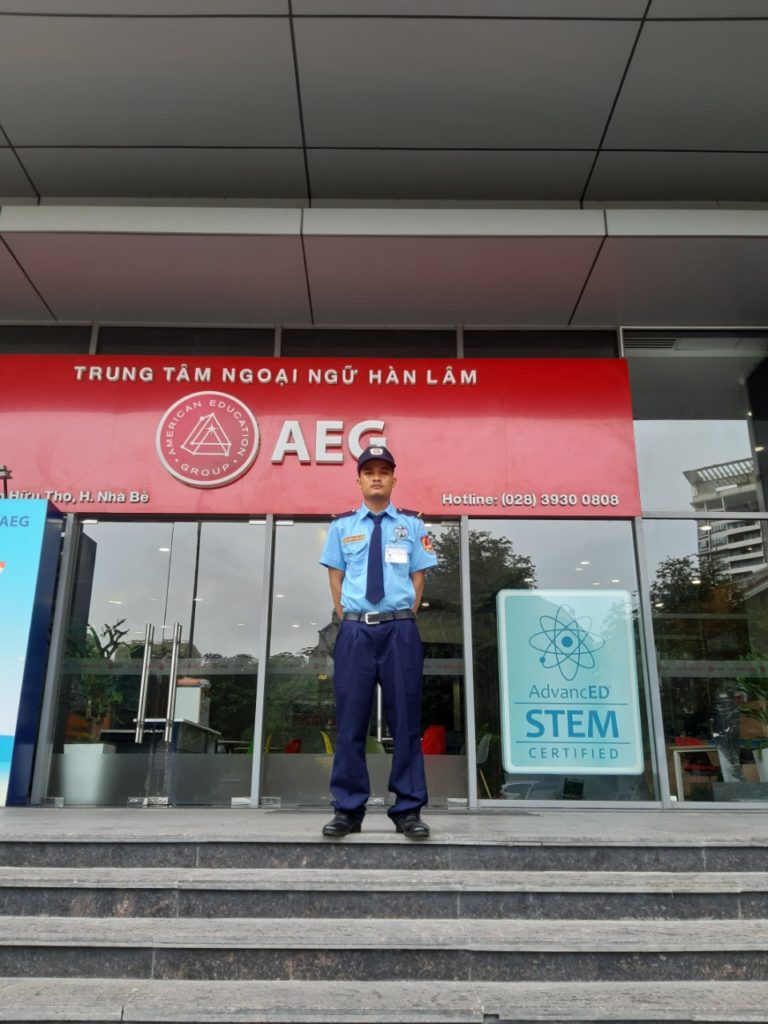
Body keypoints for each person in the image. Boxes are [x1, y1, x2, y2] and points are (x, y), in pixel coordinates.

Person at [319, 444, 437, 839]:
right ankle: (348, 810)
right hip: (355, 632)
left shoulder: (412, 526)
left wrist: (401, 616)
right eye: (369, 471)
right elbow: (335, 579)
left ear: (393, 479)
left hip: (399, 630)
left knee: (406, 721)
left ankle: (408, 810)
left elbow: (418, 578)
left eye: (383, 472)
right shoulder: (342, 527)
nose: (376, 477)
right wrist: (350, 619)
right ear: (358, 480)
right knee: (351, 722)